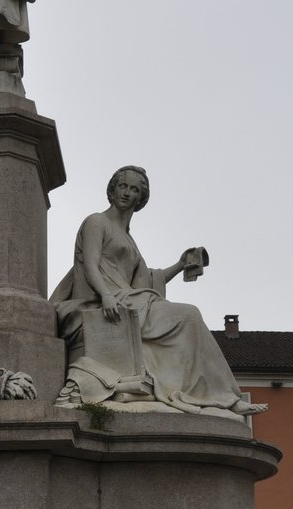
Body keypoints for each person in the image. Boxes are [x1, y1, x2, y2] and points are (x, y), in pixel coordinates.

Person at [50, 166, 267, 419]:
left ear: (140, 198)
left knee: (188, 316)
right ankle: (223, 397)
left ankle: (223, 397)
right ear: (112, 189)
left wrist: (180, 265)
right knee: (189, 316)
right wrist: (106, 295)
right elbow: (90, 265)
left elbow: (148, 280)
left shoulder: (129, 240)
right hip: (100, 301)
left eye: (134, 189)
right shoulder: (96, 222)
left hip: (129, 299)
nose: (127, 193)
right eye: (123, 186)